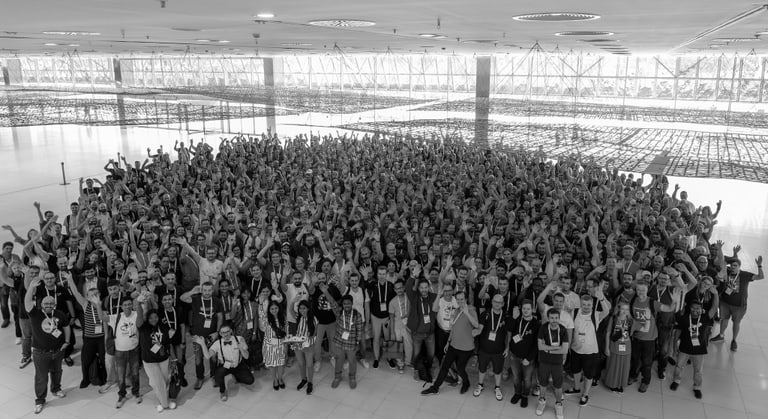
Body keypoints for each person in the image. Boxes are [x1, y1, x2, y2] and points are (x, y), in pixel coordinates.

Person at [24, 277, 70, 415]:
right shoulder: (35, 314)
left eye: (51, 304)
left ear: (54, 305)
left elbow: (67, 327)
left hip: (57, 350)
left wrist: (67, 342)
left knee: (57, 371)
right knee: (41, 377)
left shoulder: (59, 314)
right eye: (46, 303)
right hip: (40, 352)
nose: (48, 306)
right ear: (41, 304)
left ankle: (56, 389)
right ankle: (40, 400)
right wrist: (31, 287)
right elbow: (27, 302)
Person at [421, 290, 479, 396]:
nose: (460, 301)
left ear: (465, 299)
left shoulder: (471, 310)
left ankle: (466, 383)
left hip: (466, 348)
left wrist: (466, 313)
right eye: (458, 299)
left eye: (462, 299)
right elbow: (453, 328)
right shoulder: (456, 311)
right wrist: (448, 342)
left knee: (461, 369)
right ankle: (435, 388)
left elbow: (476, 325)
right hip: (453, 345)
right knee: (445, 366)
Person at [564, 292, 611, 406]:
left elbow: (607, 311)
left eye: (588, 305)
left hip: (590, 352)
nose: (586, 307)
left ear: (592, 304)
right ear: (580, 304)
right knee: (575, 370)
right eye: (584, 304)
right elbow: (568, 324)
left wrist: (601, 298)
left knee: (588, 374)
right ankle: (576, 388)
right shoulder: (574, 312)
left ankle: (585, 394)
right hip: (575, 349)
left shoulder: (596, 315)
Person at [63, 273, 106, 389]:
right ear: (87, 297)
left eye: (96, 294)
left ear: (100, 294)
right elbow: (76, 293)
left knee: (104, 359)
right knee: (85, 359)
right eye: (91, 295)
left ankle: (104, 378)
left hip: (102, 337)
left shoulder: (104, 304)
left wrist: (98, 305)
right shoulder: (85, 304)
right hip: (89, 338)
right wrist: (70, 279)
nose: (94, 296)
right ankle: (85, 379)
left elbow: (104, 319)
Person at [711, 256, 763, 352]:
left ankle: (734, 340)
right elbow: (721, 264)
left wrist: (759, 266)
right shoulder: (727, 272)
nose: (733, 267)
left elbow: (760, 277)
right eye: (731, 266)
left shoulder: (745, 275)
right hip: (725, 302)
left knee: (736, 322)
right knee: (724, 319)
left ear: (739, 266)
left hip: (739, 306)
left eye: (735, 265)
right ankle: (721, 335)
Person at [181, 281, 223, 390]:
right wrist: (193, 291)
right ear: (202, 290)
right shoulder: (196, 299)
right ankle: (200, 377)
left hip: (212, 335)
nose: (207, 292)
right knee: (198, 359)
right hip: (197, 336)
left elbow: (219, 317)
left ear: (212, 290)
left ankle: (214, 376)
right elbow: (182, 298)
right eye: (205, 290)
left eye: (209, 290)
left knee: (213, 357)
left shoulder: (217, 301)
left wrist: (217, 332)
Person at [671, 300, 712, 399]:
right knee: (678, 366)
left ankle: (697, 387)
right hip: (684, 348)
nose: (695, 310)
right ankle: (676, 380)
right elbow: (678, 332)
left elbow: (714, 308)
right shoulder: (684, 318)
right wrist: (674, 345)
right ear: (689, 308)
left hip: (699, 351)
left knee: (698, 370)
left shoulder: (705, 318)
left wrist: (715, 295)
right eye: (693, 308)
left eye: (698, 308)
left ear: (701, 309)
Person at [473, 293, 509, 401]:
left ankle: (497, 388)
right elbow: (480, 327)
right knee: (482, 368)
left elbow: (509, 334)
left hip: (499, 350)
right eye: (495, 301)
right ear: (492, 302)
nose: (497, 304)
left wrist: (508, 348)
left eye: (499, 302)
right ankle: (480, 385)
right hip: (484, 348)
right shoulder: (485, 314)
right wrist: (477, 331)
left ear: (503, 304)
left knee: (498, 371)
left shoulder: (506, 316)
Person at [138, 309, 175, 411]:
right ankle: (165, 404)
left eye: (155, 317)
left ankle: (161, 400)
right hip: (150, 361)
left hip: (163, 359)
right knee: (159, 382)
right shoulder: (144, 329)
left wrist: (172, 357)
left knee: (164, 381)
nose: (153, 319)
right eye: (151, 318)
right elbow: (148, 346)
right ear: (147, 319)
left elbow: (168, 342)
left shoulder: (163, 327)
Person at [536, 308, 569, 419]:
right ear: (548, 318)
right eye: (552, 318)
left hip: (557, 363)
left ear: (559, 318)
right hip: (544, 361)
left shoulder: (563, 330)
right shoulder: (543, 328)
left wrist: (548, 349)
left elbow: (564, 350)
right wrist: (556, 348)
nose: (554, 320)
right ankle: (541, 401)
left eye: (556, 318)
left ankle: (558, 404)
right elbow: (540, 346)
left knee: (558, 385)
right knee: (543, 383)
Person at [113, 294, 144, 408]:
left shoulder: (136, 314)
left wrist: (139, 305)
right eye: (125, 305)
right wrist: (97, 304)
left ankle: (136, 392)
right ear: (121, 306)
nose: (128, 306)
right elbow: (102, 318)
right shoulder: (116, 317)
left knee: (135, 373)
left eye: (129, 304)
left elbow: (140, 323)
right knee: (121, 376)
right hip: (119, 352)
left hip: (133, 350)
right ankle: (122, 395)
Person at [208, 324, 254, 401]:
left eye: (227, 331)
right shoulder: (217, 343)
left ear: (231, 331)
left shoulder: (239, 339)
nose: (225, 334)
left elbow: (246, 356)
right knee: (218, 376)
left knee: (250, 380)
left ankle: (237, 376)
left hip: (238, 365)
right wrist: (203, 344)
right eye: (223, 332)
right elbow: (207, 355)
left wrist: (241, 349)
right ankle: (222, 391)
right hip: (225, 366)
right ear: (220, 333)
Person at [628, 280, 659, 393]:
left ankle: (645, 381)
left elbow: (669, 308)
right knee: (635, 359)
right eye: (638, 289)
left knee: (647, 362)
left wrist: (675, 301)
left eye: (643, 289)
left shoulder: (652, 302)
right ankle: (633, 375)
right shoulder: (633, 300)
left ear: (647, 289)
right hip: (636, 336)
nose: (640, 292)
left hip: (649, 338)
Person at [508, 300, 539, 408]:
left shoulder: (536, 324)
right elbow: (509, 330)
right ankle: (517, 393)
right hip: (514, 355)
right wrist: (513, 318)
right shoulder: (517, 320)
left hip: (527, 359)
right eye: (524, 308)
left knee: (527, 380)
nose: (525, 311)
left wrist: (529, 358)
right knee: (516, 377)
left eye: (528, 309)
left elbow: (536, 344)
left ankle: (525, 396)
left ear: (533, 310)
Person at [332, 294, 364, 389]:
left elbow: (359, 330)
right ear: (342, 304)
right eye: (345, 304)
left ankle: (352, 378)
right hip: (339, 342)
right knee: (339, 360)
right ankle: (337, 377)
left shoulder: (357, 315)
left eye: (349, 303)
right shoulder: (339, 312)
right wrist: (325, 292)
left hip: (351, 343)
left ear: (352, 304)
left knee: (352, 361)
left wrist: (357, 343)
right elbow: (333, 303)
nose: (347, 305)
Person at [603, 302, 634, 393]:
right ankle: (612, 384)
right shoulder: (613, 319)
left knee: (624, 366)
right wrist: (606, 347)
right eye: (623, 309)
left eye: (627, 309)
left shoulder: (631, 321)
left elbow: (640, 328)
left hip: (626, 347)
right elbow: (608, 333)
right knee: (614, 365)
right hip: (615, 346)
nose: (625, 311)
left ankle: (620, 384)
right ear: (619, 309)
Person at [368, 265, 395, 368]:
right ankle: (376, 358)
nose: (382, 276)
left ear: (387, 274)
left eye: (384, 274)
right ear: (377, 274)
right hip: (375, 316)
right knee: (376, 338)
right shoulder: (372, 285)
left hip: (387, 317)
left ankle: (389, 358)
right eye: (380, 274)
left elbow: (393, 303)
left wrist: (391, 317)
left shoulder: (391, 286)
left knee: (388, 338)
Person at [291, 300, 317, 394]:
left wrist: (308, 340)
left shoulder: (313, 319)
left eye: (304, 308)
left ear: (308, 308)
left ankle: (310, 382)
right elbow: (290, 310)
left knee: (309, 365)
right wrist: (294, 299)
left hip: (308, 345)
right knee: (301, 363)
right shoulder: (298, 317)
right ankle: (303, 379)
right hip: (298, 344)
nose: (302, 310)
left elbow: (315, 333)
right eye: (300, 308)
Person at [387, 279, 411, 373]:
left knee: (409, 345)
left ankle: (408, 361)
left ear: (404, 287)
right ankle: (400, 364)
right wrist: (392, 332)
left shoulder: (408, 298)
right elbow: (391, 318)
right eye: (397, 289)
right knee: (399, 346)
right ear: (394, 290)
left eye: (401, 287)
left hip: (408, 326)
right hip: (397, 327)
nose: (399, 290)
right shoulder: (392, 302)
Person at [263, 300, 287, 390]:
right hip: (269, 346)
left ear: (279, 308)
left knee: (281, 364)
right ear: (269, 310)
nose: (274, 310)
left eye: (276, 308)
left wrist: (285, 345)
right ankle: (275, 380)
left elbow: (286, 333)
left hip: (281, 344)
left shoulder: (283, 318)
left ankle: (280, 378)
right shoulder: (266, 319)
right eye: (272, 308)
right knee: (272, 365)